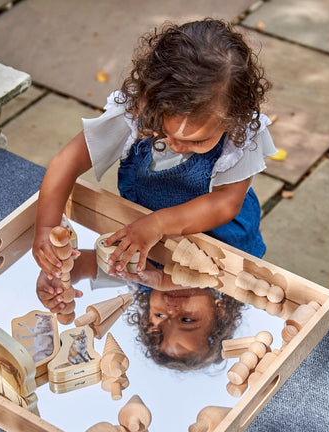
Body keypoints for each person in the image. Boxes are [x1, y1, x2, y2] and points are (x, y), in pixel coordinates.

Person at [32, 18, 276, 280]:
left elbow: (226, 203)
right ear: (148, 102)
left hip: (217, 251)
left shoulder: (241, 133)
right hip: (146, 240)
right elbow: (67, 162)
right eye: (163, 131)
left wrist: (158, 224)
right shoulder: (134, 113)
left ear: (234, 118)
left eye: (197, 141)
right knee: (155, 305)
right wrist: (46, 225)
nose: (178, 145)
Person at [35, 250, 243, 371]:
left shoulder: (139, 275)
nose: (171, 311)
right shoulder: (232, 270)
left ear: (146, 316)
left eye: (159, 317)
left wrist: (57, 278)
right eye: (187, 320)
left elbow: (81, 264)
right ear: (221, 310)